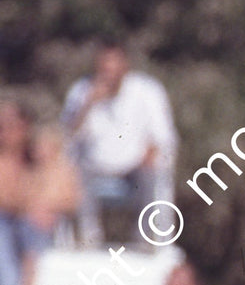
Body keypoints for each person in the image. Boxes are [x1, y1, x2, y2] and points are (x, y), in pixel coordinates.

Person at [62, 43, 177, 245]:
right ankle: (86, 239)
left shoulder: (147, 90)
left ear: (125, 66)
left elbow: (163, 136)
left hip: (135, 166)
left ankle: (148, 239)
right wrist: (88, 105)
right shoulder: (81, 91)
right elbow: (68, 136)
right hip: (94, 166)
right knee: (69, 174)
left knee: (154, 175)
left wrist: (151, 153)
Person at [0, 100, 34, 285]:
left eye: (11, 125)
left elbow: (69, 193)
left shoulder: (39, 156)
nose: (5, 132)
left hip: (34, 227)